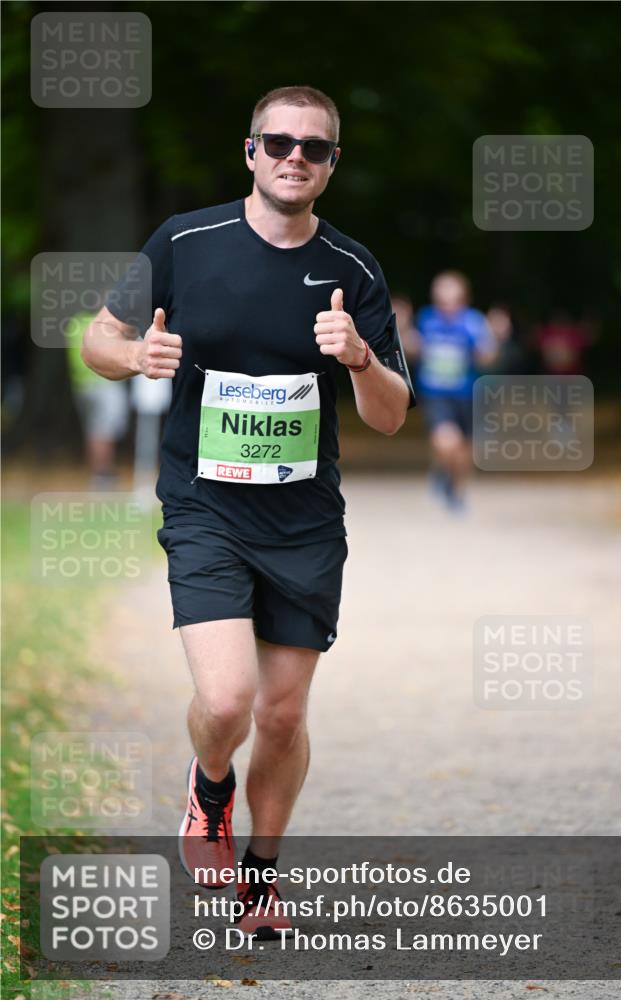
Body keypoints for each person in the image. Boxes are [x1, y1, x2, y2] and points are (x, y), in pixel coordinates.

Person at [81, 85, 414, 940]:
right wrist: (136, 355)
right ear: (250, 151)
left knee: (283, 714)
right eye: (278, 142)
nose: (294, 157)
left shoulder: (352, 268)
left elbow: (390, 414)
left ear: (331, 164)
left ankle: (260, 877)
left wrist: (359, 358)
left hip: (304, 521)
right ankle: (209, 784)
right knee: (227, 701)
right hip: (205, 507)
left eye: (314, 148)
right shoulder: (185, 241)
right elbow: (96, 339)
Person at [414, 271, 495, 511]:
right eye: (442, 299)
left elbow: (486, 359)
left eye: (452, 299)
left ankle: (454, 488)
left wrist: (492, 340)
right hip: (436, 395)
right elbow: (413, 350)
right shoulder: (426, 319)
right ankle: (444, 472)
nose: (447, 305)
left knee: (464, 451)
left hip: (467, 396)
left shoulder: (474, 322)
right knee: (447, 441)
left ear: (463, 299)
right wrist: (403, 331)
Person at [66, 310, 129, 489]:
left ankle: (96, 473)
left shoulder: (75, 322)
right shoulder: (102, 325)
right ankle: (103, 474)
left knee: (93, 431)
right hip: (102, 383)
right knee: (104, 430)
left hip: (82, 385)